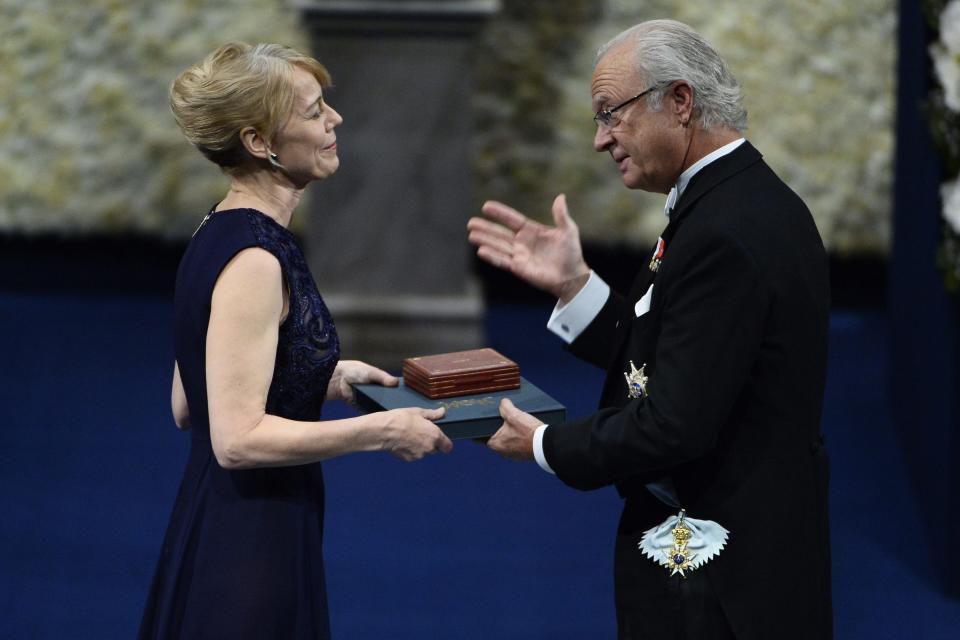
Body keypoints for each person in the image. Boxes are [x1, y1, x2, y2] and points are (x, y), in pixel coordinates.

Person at [468, 19, 831, 640]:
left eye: (611, 114)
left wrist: (545, 445)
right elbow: (682, 355)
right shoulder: (732, 200)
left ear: (681, 102)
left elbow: (674, 422)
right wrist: (575, 286)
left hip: (719, 582)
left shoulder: (723, 230)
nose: (601, 140)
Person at [138, 42, 453, 639]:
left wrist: (325, 378)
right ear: (260, 143)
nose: (334, 120)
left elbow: (190, 405)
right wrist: (383, 430)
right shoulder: (257, 260)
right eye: (313, 112)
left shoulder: (218, 230)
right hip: (251, 542)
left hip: (223, 515)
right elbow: (235, 439)